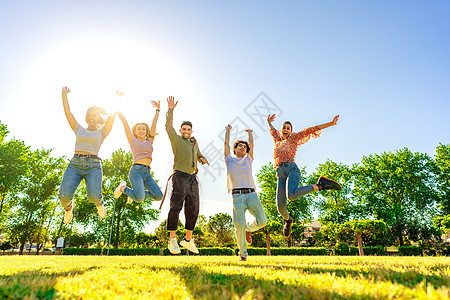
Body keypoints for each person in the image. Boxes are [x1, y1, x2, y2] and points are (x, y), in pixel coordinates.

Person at [267, 114, 342, 237]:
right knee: (280, 208)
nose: (285, 129)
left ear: (291, 131)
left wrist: (331, 123)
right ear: (280, 130)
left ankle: (320, 185)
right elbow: (272, 130)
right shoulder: (277, 139)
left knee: (291, 195)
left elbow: (312, 129)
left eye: (288, 128)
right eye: (283, 128)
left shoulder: (294, 138)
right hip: (280, 174)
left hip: (292, 169)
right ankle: (288, 220)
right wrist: (269, 122)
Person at [59, 86, 117, 224]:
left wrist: (118, 99)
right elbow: (68, 112)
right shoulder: (78, 129)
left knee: (93, 197)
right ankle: (68, 209)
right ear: (86, 118)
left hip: (93, 166)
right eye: (89, 115)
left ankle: (100, 204)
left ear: (98, 118)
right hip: (75, 164)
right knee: (63, 197)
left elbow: (112, 116)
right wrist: (64, 94)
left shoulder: (103, 132)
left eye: (94, 115)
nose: (91, 117)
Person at [165, 96, 209, 254]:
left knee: (194, 208)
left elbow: (197, 153)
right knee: (176, 206)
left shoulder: (194, 142)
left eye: (188, 129)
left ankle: (188, 239)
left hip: (193, 178)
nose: (186, 131)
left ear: (191, 131)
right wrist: (170, 110)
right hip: (180, 176)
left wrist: (202, 158)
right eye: (183, 129)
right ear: (180, 130)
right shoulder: (176, 140)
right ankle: (172, 239)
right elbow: (168, 127)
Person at [224, 125, 267, 262]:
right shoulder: (229, 160)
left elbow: (252, 144)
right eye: (240, 146)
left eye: (245, 147)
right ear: (234, 149)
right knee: (239, 225)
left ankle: (249, 229)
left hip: (252, 194)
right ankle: (243, 254)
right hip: (237, 196)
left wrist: (250, 134)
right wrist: (228, 131)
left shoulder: (248, 160)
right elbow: (225, 144)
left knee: (263, 221)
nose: (242, 147)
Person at [113, 93, 163, 205]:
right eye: (139, 129)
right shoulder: (132, 140)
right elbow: (125, 122)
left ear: (146, 131)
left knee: (159, 196)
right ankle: (123, 188)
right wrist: (118, 101)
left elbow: (154, 124)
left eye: (144, 129)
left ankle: (135, 193)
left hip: (147, 173)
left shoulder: (150, 140)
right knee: (140, 199)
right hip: (136, 172)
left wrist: (158, 110)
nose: (141, 130)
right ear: (135, 131)